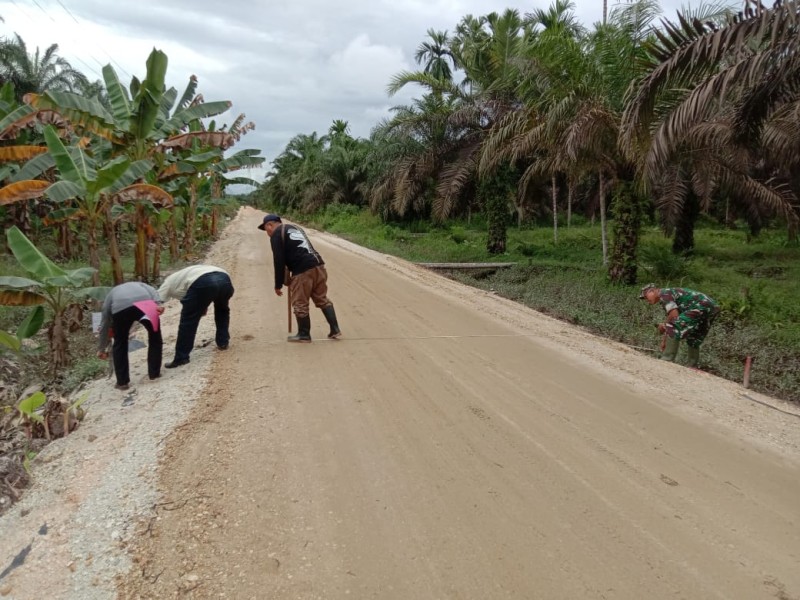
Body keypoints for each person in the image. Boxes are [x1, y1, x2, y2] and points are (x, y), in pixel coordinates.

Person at [258, 214, 341, 342]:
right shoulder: (295, 227)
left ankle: (304, 334)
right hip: (318, 265)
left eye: (265, 229)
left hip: (303, 271)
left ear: (269, 225)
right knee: (322, 299)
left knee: (300, 303)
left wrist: (278, 284)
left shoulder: (276, 234)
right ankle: (335, 329)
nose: (266, 232)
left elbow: (278, 261)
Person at [157, 264, 235, 368]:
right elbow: (197, 297)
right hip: (224, 279)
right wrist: (202, 306)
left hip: (203, 282)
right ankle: (223, 342)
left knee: (188, 321)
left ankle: (181, 357)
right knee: (222, 310)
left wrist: (155, 309)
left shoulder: (167, 283)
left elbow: (157, 301)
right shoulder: (184, 276)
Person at [97, 281, 164, 390]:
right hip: (146, 305)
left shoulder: (111, 294)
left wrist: (101, 348)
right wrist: (158, 304)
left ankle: (122, 383)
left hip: (120, 310)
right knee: (155, 337)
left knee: (120, 343)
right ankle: (154, 373)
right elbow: (153, 291)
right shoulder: (140, 284)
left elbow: (104, 323)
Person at [639, 284, 720, 367]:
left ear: (653, 291)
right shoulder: (668, 294)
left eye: (645, 296)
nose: (646, 300)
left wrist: (665, 326)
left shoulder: (664, 294)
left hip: (700, 305)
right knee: (695, 336)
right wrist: (664, 340)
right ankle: (692, 365)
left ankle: (667, 359)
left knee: (674, 326)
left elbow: (674, 316)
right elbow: (674, 318)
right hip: (713, 307)